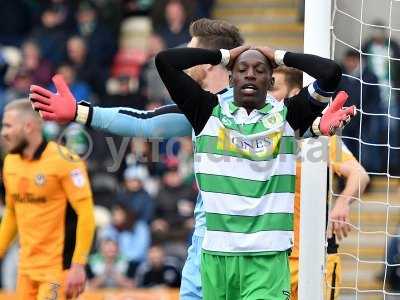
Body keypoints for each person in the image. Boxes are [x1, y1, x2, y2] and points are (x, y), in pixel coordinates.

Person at [29, 18, 354, 299]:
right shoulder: (204, 109)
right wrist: (80, 112)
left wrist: (312, 127)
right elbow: (145, 121)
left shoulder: (271, 108)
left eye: (193, 49)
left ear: (208, 62)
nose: (188, 57)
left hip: (262, 246)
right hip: (210, 244)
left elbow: (299, 117)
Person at [153, 36, 355, 297]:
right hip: (217, 256)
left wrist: (279, 56)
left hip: (267, 258)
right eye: (242, 70)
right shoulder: (205, 112)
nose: (250, 75)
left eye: (260, 71)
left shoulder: (287, 116)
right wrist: (223, 56)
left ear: (270, 82)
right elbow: (165, 61)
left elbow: (331, 72)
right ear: (230, 79)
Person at [271, 66, 370, 299]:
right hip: (274, 255)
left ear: (295, 93)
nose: (267, 94)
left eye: (273, 88)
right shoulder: (259, 135)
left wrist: (342, 203)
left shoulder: (318, 140)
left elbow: (360, 174)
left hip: (317, 254)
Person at [0, 99, 95, 299]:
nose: (3, 132)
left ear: (28, 126)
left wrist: (78, 264)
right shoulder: (10, 163)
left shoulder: (65, 161)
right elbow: (12, 213)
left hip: (56, 271)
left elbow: (86, 214)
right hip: (25, 269)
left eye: (8, 125)